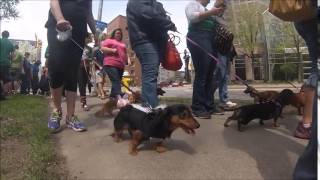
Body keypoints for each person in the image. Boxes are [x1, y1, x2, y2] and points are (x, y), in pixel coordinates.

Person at [45, 0, 96, 132]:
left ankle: (70, 116)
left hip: (78, 31)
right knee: (56, 68)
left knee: (72, 71)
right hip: (58, 27)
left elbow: (88, 12)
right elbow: (53, 1)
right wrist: (60, 19)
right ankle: (57, 111)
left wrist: (96, 32)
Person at [127, 0, 177, 108]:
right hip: (144, 39)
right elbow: (147, 14)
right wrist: (168, 23)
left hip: (156, 41)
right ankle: (152, 109)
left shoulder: (157, 4)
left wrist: (166, 21)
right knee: (150, 74)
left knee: (150, 74)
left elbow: (158, 17)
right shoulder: (136, 2)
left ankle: (148, 107)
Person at [185, 0, 225, 119]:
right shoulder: (193, 4)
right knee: (202, 74)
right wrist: (212, 12)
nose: (209, 0)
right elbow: (192, 17)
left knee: (210, 75)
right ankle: (197, 107)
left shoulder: (207, 10)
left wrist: (216, 12)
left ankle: (209, 106)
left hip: (210, 39)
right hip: (199, 37)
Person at [292, 3, 318, 140]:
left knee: (316, 67)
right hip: (313, 13)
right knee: (317, 68)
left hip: (302, 14)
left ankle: (306, 123)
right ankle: (306, 125)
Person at [212, 0, 237, 109]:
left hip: (227, 50)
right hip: (219, 50)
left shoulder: (225, 19)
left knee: (225, 76)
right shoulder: (212, 17)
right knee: (219, 75)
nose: (223, 8)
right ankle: (208, 98)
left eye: (224, 7)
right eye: (221, 6)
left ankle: (224, 100)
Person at [101, 28, 130, 105]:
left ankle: (111, 100)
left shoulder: (122, 43)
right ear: (114, 34)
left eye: (120, 34)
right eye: (117, 33)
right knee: (116, 80)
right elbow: (103, 48)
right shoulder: (109, 40)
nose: (118, 34)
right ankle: (120, 96)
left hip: (120, 65)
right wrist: (112, 50)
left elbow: (125, 53)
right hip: (110, 63)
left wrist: (128, 60)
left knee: (116, 82)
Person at [78, 34, 92, 111]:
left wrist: (88, 59)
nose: (86, 39)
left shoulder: (89, 48)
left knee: (84, 83)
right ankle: (83, 102)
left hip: (86, 67)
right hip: (77, 67)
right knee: (80, 84)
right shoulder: (76, 46)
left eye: (87, 38)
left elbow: (91, 58)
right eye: (85, 38)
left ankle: (83, 101)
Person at [0, 30, 15, 98]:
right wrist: (10, 61)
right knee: (7, 79)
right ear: (8, 36)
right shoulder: (10, 43)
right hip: (6, 63)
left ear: (1, 35)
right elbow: (12, 56)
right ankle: (4, 94)